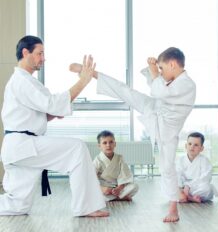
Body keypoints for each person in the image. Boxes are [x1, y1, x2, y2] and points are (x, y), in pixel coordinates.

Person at [70, 47, 196, 222]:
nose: (160, 72)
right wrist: (155, 73)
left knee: (167, 167)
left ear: (173, 64)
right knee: (127, 92)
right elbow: (158, 91)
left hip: (167, 128)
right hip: (156, 111)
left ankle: (173, 209)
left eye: (162, 68)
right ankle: (91, 74)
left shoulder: (187, 83)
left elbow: (158, 91)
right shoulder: (172, 81)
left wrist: (154, 74)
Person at [0, 35, 109, 218]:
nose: (43, 58)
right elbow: (51, 103)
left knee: (17, 205)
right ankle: (86, 206)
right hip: (24, 145)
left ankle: (86, 206)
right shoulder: (22, 80)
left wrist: (53, 112)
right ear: (25, 52)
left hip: (19, 147)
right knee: (77, 149)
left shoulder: (23, 81)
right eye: (39, 53)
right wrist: (83, 81)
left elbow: (43, 112)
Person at [93, 130, 138, 201]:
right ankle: (120, 197)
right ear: (99, 146)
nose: (108, 145)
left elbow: (124, 176)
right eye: (104, 143)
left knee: (134, 186)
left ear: (115, 144)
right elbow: (92, 178)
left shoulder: (119, 158)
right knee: (94, 192)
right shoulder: (97, 160)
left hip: (117, 187)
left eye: (111, 142)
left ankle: (115, 197)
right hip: (104, 188)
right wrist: (102, 189)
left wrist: (119, 188)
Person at [177, 132, 218, 203]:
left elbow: (206, 177)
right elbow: (178, 175)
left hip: (196, 187)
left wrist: (189, 185)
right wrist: (183, 187)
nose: (192, 147)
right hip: (183, 188)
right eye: (190, 144)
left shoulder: (204, 160)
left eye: (196, 145)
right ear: (186, 146)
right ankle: (190, 197)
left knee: (207, 188)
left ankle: (186, 197)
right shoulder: (180, 160)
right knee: (169, 186)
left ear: (201, 148)